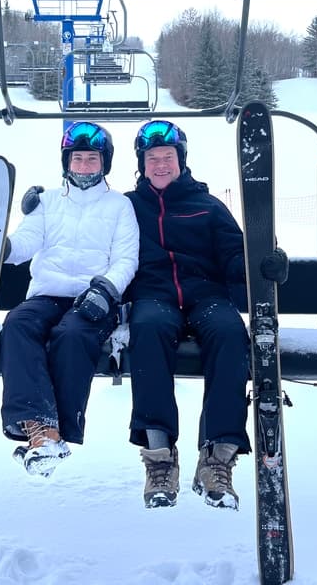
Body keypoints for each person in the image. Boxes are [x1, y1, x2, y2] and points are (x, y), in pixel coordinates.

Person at [122, 119, 288, 509]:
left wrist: (263, 261)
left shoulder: (207, 206)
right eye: (152, 158)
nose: (161, 165)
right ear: (141, 164)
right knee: (146, 330)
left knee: (231, 334)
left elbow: (235, 256)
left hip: (205, 295)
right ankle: (159, 457)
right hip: (154, 296)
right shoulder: (127, 207)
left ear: (181, 160)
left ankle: (218, 456)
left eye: (168, 157)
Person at [0, 121, 139, 478]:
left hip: (94, 299)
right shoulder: (46, 203)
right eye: (78, 159)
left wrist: (105, 289)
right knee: (17, 325)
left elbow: (126, 258)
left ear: (104, 163)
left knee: (71, 335)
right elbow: (26, 241)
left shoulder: (120, 206)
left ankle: (50, 429)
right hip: (48, 294)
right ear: (66, 162)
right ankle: (40, 430)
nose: (85, 166)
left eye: (93, 160)